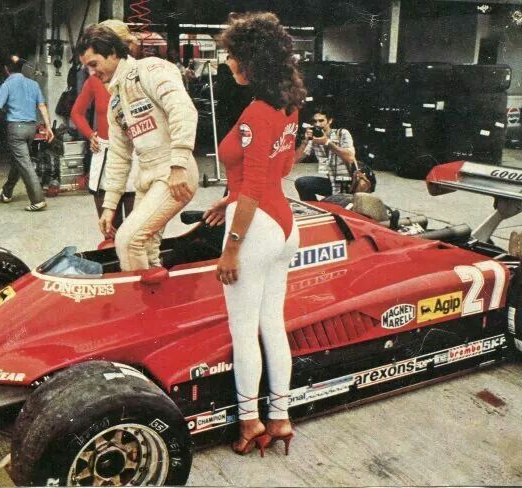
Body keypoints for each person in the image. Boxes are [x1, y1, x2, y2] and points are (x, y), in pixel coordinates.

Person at [203, 12, 305, 457]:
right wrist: (230, 198)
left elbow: (257, 186)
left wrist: (230, 249)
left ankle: (250, 423)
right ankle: (280, 418)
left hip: (257, 227)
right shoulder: (288, 104)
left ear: (251, 61)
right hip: (284, 226)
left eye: (232, 56)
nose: (227, 64)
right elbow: (281, 170)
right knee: (272, 325)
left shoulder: (254, 113)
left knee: (244, 331)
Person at [76, 25, 199, 271]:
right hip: (146, 176)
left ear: (112, 52)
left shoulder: (150, 69)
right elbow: (119, 155)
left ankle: (143, 305)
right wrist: (110, 206)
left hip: (174, 171)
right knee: (146, 249)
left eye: (94, 63)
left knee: (128, 241)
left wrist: (178, 164)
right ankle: (158, 300)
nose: (92, 73)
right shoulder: (116, 101)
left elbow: (183, 110)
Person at [71, 19, 138, 230]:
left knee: (137, 229)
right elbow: (77, 112)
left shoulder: (140, 76)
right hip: (107, 152)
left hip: (137, 155)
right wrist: (91, 134)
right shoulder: (94, 80)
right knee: (109, 226)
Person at [0, 54, 54, 211]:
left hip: (16, 129)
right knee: (19, 160)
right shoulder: (33, 84)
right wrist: (48, 127)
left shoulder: (7, 85)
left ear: (6, 69)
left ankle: (38, 199)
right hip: (31, 128)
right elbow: (42, 106)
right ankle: (7, 191)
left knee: (24, 163)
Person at [293, 107, 356, 201]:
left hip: (349, 185)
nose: (317, 124)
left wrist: (327, 142)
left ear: (330, 121)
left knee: (330, 207)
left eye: (321, 120)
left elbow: (350, 157)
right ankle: (314, 208)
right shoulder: (315, 139)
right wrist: (305, 141)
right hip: (332, 183)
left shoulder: (342, 133)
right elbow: (294, 160)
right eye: (315, 121)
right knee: (301, 183)